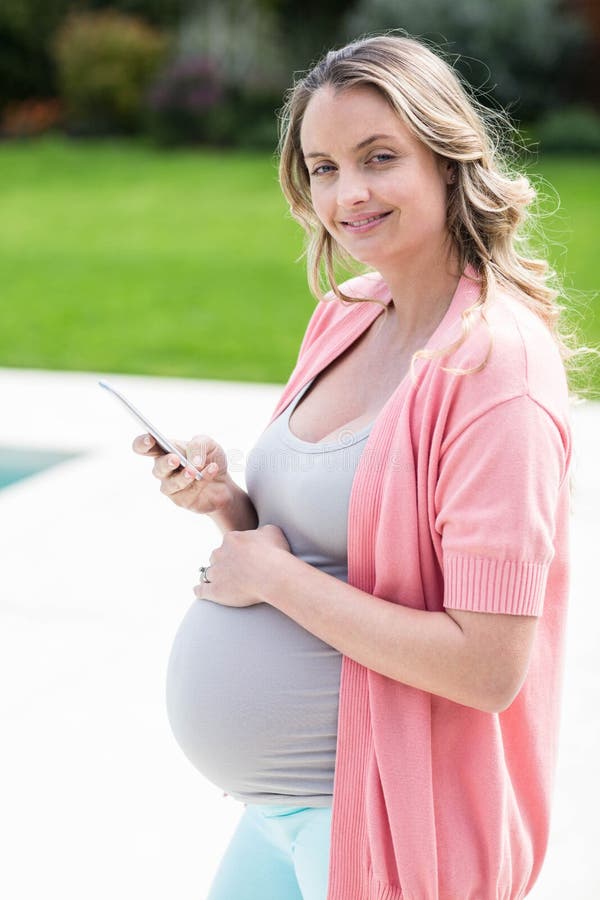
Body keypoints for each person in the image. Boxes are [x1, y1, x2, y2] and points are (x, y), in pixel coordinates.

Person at [133, 33, 577, 900]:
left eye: (380, 159)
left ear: (448, 162)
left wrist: (271, 576)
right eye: (324, 167)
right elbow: (326, 548)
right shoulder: (348, 314)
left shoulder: (495, 372)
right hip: (284, 812)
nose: (349, 193)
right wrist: (229, 505)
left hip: (384, 814)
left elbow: (487, 668)